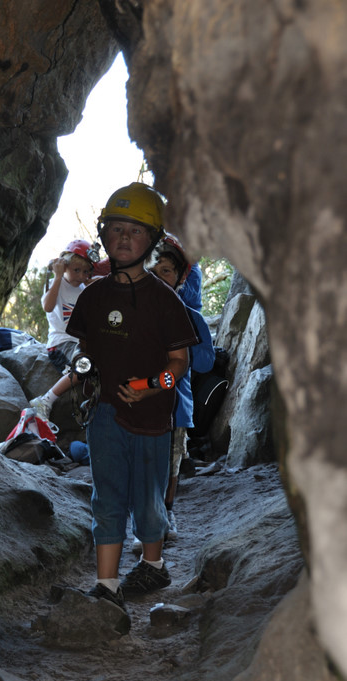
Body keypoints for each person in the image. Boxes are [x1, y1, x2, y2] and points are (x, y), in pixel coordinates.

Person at [65, 182, 199, 612]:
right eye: (117, 229)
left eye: (135, 231)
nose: (124, 238)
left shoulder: (165, 301)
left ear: (152, 240)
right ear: (104, 234)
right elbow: (84, 348)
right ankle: (107, 585)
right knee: (107, 495)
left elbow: (179, 363)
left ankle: (153, 565)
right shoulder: (92, 296)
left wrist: (149, 386)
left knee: (147, 497)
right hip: (104, 411)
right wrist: (83, 367)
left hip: (152, 417)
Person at [131, 234, 215, 555]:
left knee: (172, 462)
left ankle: (168, 511)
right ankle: (147, 522)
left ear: (181, 279)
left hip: (176, 408)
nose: (159, 277)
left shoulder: (189, 316)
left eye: (167, 271)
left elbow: (206, 361)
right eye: (154, 271)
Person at [29, 239, 99, 420]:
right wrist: (58, 276)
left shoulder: (84, 287)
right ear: (64, 266)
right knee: (83, 367)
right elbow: (47, 306)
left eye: (85, 272)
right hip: (61, 343)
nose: (81, 276)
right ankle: (45, 400)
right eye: (76, 270)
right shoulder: (57, 284)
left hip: (80, 342)